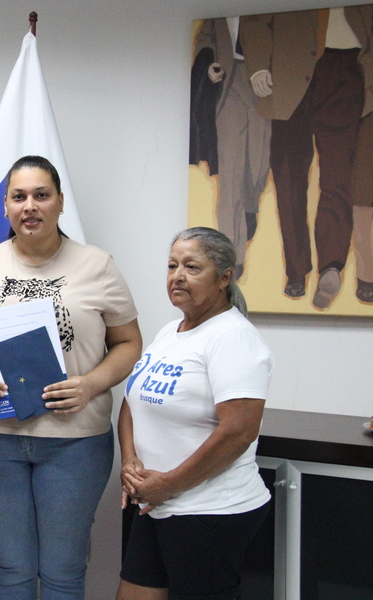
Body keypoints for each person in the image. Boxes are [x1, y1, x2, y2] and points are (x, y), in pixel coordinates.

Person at [0, 155, 142, 599]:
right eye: (19, 197)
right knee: (10, 567)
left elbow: (130, 343)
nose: (29, 206)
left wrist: (90, 384)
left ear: (59, 203)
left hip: (74, 444)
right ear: (6, 207)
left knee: (63, 569)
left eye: (41, 195)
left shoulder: (97, 265)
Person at [116, 227, 274, 600]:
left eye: (192, 266)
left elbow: (239, 431)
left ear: (224, 277)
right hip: (155, 504)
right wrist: (129, 460)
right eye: (172, 266)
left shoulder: (233, 337)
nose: (177, 276)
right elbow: (132, 401)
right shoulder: (171, 331)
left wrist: (170, 483)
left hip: (210, 511)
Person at [240, 7, 373, 307]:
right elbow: (255, 17)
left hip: (347, 72)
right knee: (288, 179)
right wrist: (259, 66)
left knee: (339, 174)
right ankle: (296, 271)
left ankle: (331, 265)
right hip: (287, 75)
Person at [191, 17, 271, 279]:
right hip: (228, 85)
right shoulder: (217, 12)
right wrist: (210, 62)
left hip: (265, 85)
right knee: (230, 172)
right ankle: (232, 255)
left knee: (259, 163)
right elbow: (206, 37)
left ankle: (249, 206)